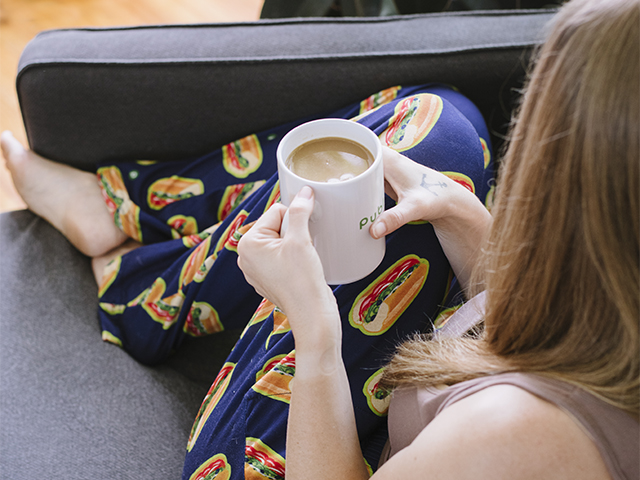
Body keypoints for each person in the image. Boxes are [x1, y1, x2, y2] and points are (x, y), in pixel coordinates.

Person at [1, 1, 637, 479]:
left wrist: (314, 332)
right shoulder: (611, 312)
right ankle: (129, 233)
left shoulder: (510, 438)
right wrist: (468, 222)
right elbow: (534, 330)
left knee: (338, 210)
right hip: (461, 366)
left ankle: (140, 274)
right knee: (439, 128)